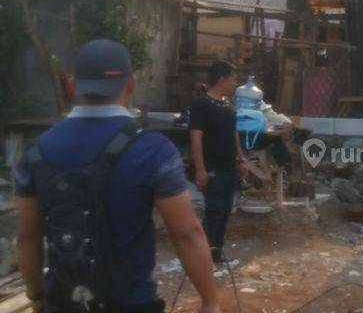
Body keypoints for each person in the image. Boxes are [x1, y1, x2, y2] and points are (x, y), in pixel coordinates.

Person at [14, 39, 220, 313]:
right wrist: (210, 301)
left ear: (73, 84)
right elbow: (186, 233)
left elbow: (27, 237)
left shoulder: (36, 152)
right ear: (131, 83)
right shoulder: (152, 149)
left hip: (62, 305)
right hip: (132, 304)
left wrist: (37, 295)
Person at [189, 60, 249, 263]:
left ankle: (216, 252)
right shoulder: (201, 105)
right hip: (212, 168)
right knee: (213, 211)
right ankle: (203, 256)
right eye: (233, 79)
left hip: (229, 167)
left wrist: (241, 160)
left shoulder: (228, 105)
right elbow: (196, 138)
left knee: (224, 211)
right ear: (222, 79)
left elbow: (234, 134)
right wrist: (200, 169)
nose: (235, 83)